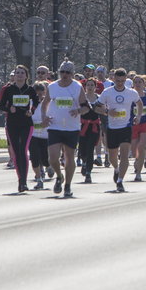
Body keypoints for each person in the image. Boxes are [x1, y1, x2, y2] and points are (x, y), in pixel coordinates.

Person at [40, 60, 90, 198]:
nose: (65, 75)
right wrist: (44, 117)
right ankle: (59, 176)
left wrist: (78, 111)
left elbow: (86, 107)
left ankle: (67, 185)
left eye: (68, 72)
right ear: (59, 72)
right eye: (62, 72)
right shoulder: (53, 86)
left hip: (71, 127)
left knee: (69, 157)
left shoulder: (77, 86)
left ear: (72, 74)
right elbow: (45, 104)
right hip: (55, 126)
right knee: (53, 158)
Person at [96, 68, 141, 192]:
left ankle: (120, 181)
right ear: (114, 79)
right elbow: (96, 107)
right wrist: (107, 111)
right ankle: (116, 169)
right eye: (117, 80)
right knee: (112, 156)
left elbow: (139, 103)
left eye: (122, 80)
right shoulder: (107, 92)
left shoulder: (131, 92)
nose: (120, 83)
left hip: (126, 127)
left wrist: (138, 116)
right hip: (112, 128)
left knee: (125, 156)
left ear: (126, 79)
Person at [0, 64, 37, 192]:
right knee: (16, 151)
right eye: (17, 73)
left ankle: (24, 181)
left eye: (22, 73)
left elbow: (36, 103)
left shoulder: (30, 90)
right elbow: (1, 105)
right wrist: (9, 108)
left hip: (26, 123)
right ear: (14, 76)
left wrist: (31, 110)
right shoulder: (9, 90)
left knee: (23, 150)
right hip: (12, 124)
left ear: (26, 76)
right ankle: (20, 179)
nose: (19, 75)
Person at [131, 74, 146, 182]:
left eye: (139, 82)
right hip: (133, 124)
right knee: (134, 150)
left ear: (144, 84)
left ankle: (138, 173)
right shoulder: (130, 96)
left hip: (145, 123)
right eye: (135, 82)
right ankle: (137, 159)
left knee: (141, 147)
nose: (137, 84)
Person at [78, 78, 101, 183]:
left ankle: (88, 173)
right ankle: (83, 162)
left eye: (92, 85)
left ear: (95, 87)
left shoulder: (99, 98)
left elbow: (103, 110)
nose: (90, 87)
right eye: (88, 85)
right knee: (82, 149)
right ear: (85, 87)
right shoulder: (82, 98)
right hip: (83, 126)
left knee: (90, 148)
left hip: (94, 126)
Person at [29, 81, 51, 190]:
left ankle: (49, 166)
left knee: (45, 158)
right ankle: (39, 179)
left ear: (44, 92)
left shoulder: (48, 103)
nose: (38, 95)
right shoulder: (30, 103)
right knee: (34, 158)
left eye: (40, 93)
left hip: (46, 136)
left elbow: (53, 117)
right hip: (32, 135)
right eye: (35, 93)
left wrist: (46, 122)